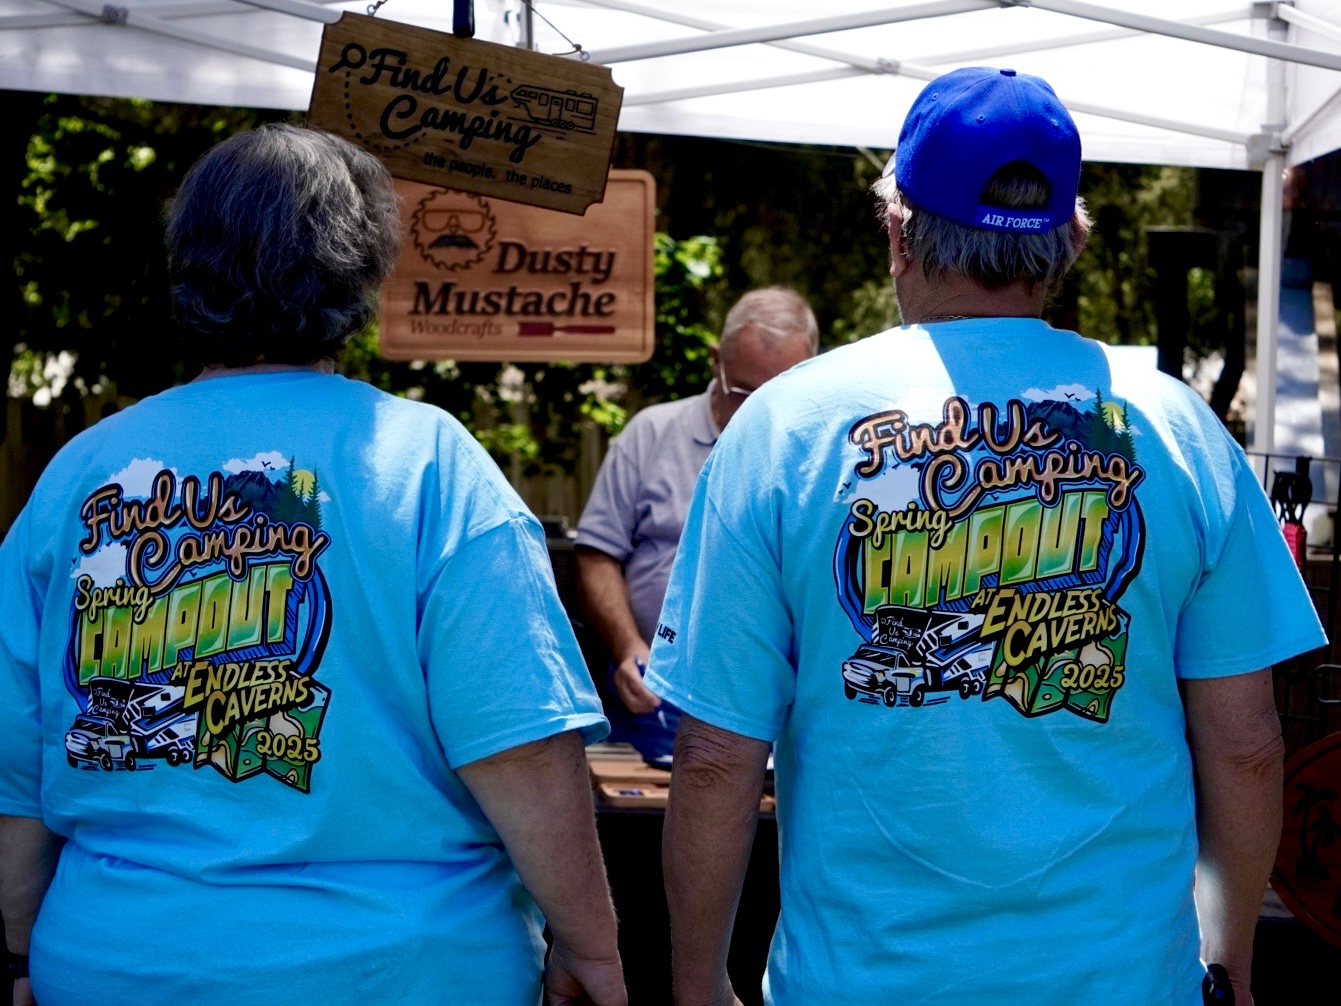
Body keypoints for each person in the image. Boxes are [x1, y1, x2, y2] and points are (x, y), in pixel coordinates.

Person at [648, 67, 1326, 1006]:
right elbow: (1246, 743)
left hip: (863, 985)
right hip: (1123, 981)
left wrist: (695, 987)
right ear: (1070, 241)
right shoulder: (1177, 430)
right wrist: (1231, 957)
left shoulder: (780, 429)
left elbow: (715, 755)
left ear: (897, 233)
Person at [0, 124, 625, 1006]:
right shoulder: (427, 461)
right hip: (398, 971)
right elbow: (517, 746)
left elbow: (16, 769)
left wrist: (23, 951)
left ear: (186, 263)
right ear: (359, 269)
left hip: (121, 961)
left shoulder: (79, 474)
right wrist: (591, 945)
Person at [574, 287, 817, 761]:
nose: (760, 409)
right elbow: (597, 555)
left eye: (781, 392)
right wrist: (628, 648)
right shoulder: (651, 433)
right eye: (744, 392)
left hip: (780, 705)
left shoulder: (821, 452)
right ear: (715, 361)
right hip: (658, 698)